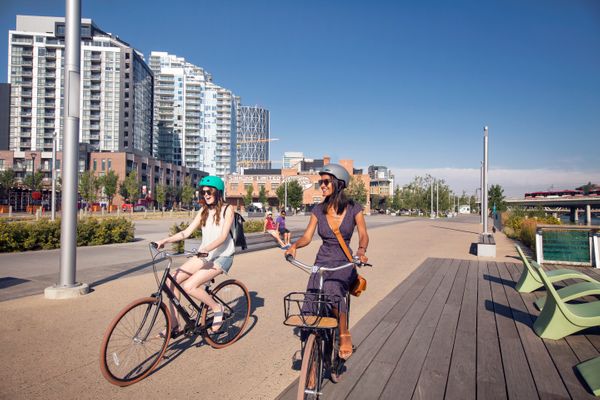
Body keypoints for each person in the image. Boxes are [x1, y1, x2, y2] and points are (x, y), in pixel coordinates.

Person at [285, 163, 369, 360]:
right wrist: (294, 246)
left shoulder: (354, 208)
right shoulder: (318, 209)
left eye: (325, 182)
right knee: (310, 303)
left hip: (344, 262)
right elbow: (307, 236)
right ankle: (311, 361)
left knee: (331, 290)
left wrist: (361, 251)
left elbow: (364, 234)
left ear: (338, 183)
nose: (321, 185)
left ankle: (343, 332)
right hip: (322, 260)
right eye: (320, 182)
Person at [155, 175, 234, 335]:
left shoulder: (228, 209)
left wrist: (207, 248)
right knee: (172, 282)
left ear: (218, 193)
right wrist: (165, 240)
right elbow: (186, 232)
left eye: (209, 192)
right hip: (204, 255)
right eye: (203, 192)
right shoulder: (203, 211)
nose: (205, 195)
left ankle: (216, 308)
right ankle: (175, 324)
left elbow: (223, 236)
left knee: (189, 286)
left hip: (222, 257)